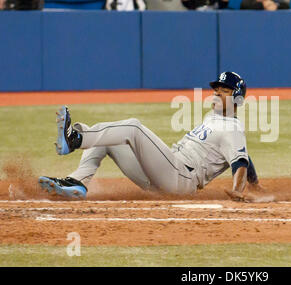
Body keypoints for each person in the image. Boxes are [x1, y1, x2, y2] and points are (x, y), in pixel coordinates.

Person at [37, 71, 263, 202]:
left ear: (238, 100)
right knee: (109, 137)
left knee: (133, 127)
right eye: (216, 89)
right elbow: (243, 155)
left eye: (223, 91)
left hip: (181, 178)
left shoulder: (233, 128)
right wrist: (256, 183)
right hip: (164, 175)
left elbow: (240, 162)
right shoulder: (216, 119)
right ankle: (77, 183)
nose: (216, 93)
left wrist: (238, 190)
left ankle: (75, 139)